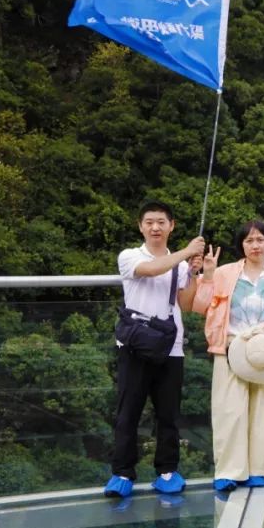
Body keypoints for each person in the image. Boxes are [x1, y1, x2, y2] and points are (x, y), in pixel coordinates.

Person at [104, 200, 204, 499]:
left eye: (161, 222)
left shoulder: (181, 265)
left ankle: (167, 471)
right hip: (135, 345)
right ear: (140, 226)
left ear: (171, 226)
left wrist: (194, 274)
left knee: (168, 414)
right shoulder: (130, 256)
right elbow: (148, 270)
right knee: (128, 412)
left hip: (170, 347)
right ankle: (122, 473)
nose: (155, 227)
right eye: (149, 222)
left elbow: (186, 304)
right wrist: (186, 252)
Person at [194, 220, 264, 492]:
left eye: (260, 240)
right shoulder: (224, 273)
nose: (255, 245)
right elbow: (200, 306)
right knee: (229, 411)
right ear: (241, 245)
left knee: (262, 411)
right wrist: (208, 275)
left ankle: (258, 469)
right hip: (230, 346)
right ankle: (228, 471)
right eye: (249, 240)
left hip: (263, 352)